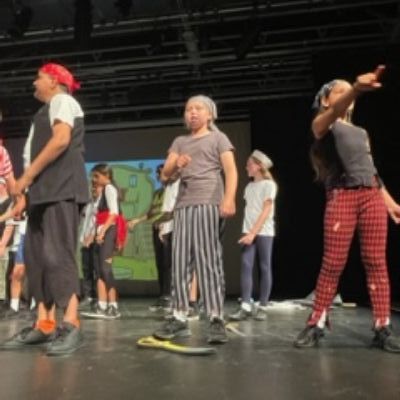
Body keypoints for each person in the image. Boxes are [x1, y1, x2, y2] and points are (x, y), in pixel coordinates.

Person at [293, 66, 400, 353]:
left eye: (347, 91)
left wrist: (389, 201)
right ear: (326, 100)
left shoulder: (361, 132)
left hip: (371, 196)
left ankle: (382, 326)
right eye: (338, 91)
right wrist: (354, 87)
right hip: (342, 195)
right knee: (333, 262)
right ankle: (316, 322)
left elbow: (370, 169)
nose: (345, 95)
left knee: (376, 261)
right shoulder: (324, 124)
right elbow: (327, 119)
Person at [1, 62, 89, 356]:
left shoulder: (63, 100)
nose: (34, 83)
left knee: (57, 254)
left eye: (38, 77)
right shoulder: (42, 113)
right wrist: (25, 195)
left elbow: (61, 140)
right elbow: (33, 155)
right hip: (41, 194)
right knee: (36, 260)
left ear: (54, 80)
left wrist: (25, 179)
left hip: (62, 189)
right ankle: (45, 324)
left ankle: (71, 323)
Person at [153, 94, 237, 344]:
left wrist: (229, 198)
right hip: (183, 206)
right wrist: (176, 165)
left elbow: (231, 171)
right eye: (189, 109)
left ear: (210, 114)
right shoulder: (180, 142)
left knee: (208, 260)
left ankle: (215, 317)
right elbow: (165, 177)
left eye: (198, 108)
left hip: (208, 202)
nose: (192, 112)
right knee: (180, 261)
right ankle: (179, 316)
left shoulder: (218, 138)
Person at [229, 150, 277, 322]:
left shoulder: (269, 185)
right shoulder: (249, 187)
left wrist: (253, 233)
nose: (246, 167)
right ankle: (245, 305)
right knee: (246, 265)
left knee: (264, 266)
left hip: (263, 231)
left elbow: (266, 211)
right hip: (248, 230)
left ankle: (263, 306)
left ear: (259, 166)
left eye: (249, 164)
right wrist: (248, 232)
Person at [81, 164, 121, 320]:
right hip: (100, 232)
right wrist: (94, 234)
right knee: (99, 270)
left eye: (97, 176)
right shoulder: (102, 192)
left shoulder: (109, 188)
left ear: (106, 175)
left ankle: (113, 306)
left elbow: (114, 213)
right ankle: (102, 305)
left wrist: (103, 232)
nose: (94, 180)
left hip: (108, 231)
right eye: (93, 176)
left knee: (105, 269)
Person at [128, 164, 168, 312]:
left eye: (161, 173)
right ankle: (163, 295)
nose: (158, 176)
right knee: (159, 263)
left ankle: (170, 296)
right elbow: (151, 213)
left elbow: (173, 211)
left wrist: (164, 224)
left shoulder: (173, 191)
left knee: (168, 264)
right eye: (157, 173)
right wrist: (136, 220)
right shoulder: (157, 193)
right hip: (155, 229)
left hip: (168, 229)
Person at [79, 182, 102, 309]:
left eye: (95, 187)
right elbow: (85, 220)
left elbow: (98, 221)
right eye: (92, 187)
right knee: (86, 269)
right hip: (85, 240)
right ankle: (89, 296)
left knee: (97, 269)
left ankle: (99, 297)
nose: (93, 189)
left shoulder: (101, 203)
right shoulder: (88, 204)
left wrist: (92, 236)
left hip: (95, 239)